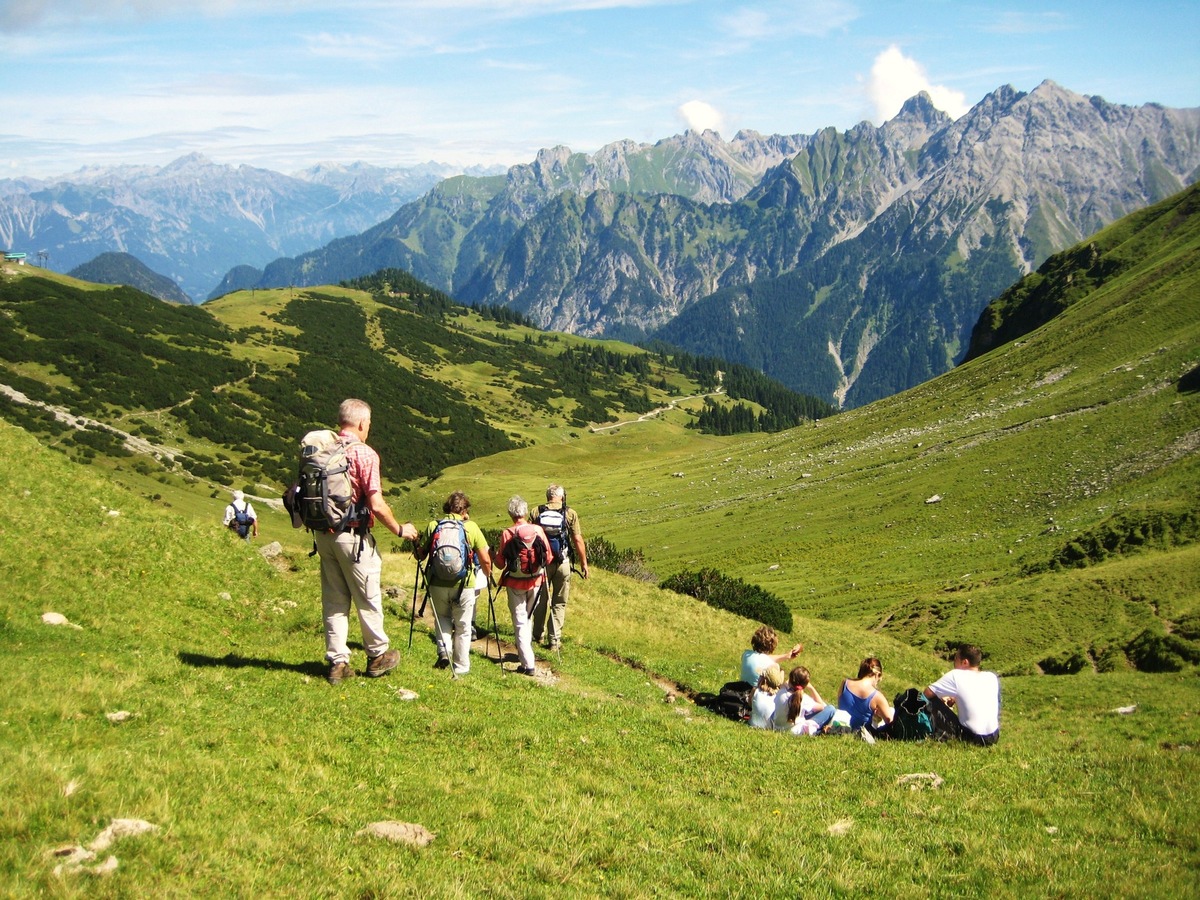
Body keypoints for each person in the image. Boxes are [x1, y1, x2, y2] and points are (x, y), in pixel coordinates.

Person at [313, 399, 419, 685]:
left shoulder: (323, 448)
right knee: (368, 597)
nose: (369, 428)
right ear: (361, 423)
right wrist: (399, 529)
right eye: (369, 424)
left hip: (323, 535)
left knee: (334, 601)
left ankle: (338, 663)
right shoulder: (365, 453)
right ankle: (377, 656)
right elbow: (377, 503)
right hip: (353, 538)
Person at [417, 490, 492, 677]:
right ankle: (461, 666)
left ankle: (444, 651)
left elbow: (421, 555)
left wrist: (416, 542)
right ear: (464, 510)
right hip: (464, 584)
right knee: (463, 626)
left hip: (437, 583)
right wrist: (489, 576)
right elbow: (485, 559)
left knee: (442, 618)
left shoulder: (434, 526)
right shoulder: (471, 527)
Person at [494, 495, 552, 676]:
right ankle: (526, 658)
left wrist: (491, 554)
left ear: (511, 514)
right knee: (528, 618)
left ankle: (528, 664)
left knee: (520, 622)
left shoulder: (507, 533)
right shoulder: (537, 530)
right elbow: (548, 557)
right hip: (536, 581)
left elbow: (500, 564)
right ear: (525, 512)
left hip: (515, 583)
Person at [532, 484, 588, 652]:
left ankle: (537, 635)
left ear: (547, 496)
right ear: (562, 497)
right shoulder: (570, 513)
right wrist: (584, 563)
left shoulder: (536, 511)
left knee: (541, 599)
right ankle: (554, 640)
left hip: (542, 563)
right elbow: (577, 540)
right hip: (562, 562)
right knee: (559, 602)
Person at [923, 644, 1001, 746]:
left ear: (964, 662)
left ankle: (930, 732)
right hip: (994, 737)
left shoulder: (956, 675)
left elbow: (926, 694)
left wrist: (941, 700)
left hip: (973, 738)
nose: (953, 662)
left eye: (956, 659)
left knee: (931, 702)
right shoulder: (991, 677)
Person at [837, 657, 894, 743]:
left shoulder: (845, 683)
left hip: (840, 725)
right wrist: (879, 717)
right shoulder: (877, 696)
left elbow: (841, 705)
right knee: (891, 710)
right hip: (861, 732)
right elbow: (890, 722)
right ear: (877, 674)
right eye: (879, 678)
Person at [775, 665, 836, 735]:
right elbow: (822, 706)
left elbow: (786, 683)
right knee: (831, 709)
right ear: (805, 684)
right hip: (797, 731)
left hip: (778, 727)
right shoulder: (804, 699)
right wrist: (811, 688)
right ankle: (818, 731)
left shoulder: (781, 692)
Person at [749, 664, 786, 729]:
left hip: (753, 724)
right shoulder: (780, 695)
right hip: (771, 727)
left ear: (764, 680)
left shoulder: (755, 691)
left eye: (760, 676)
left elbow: (750, 705)